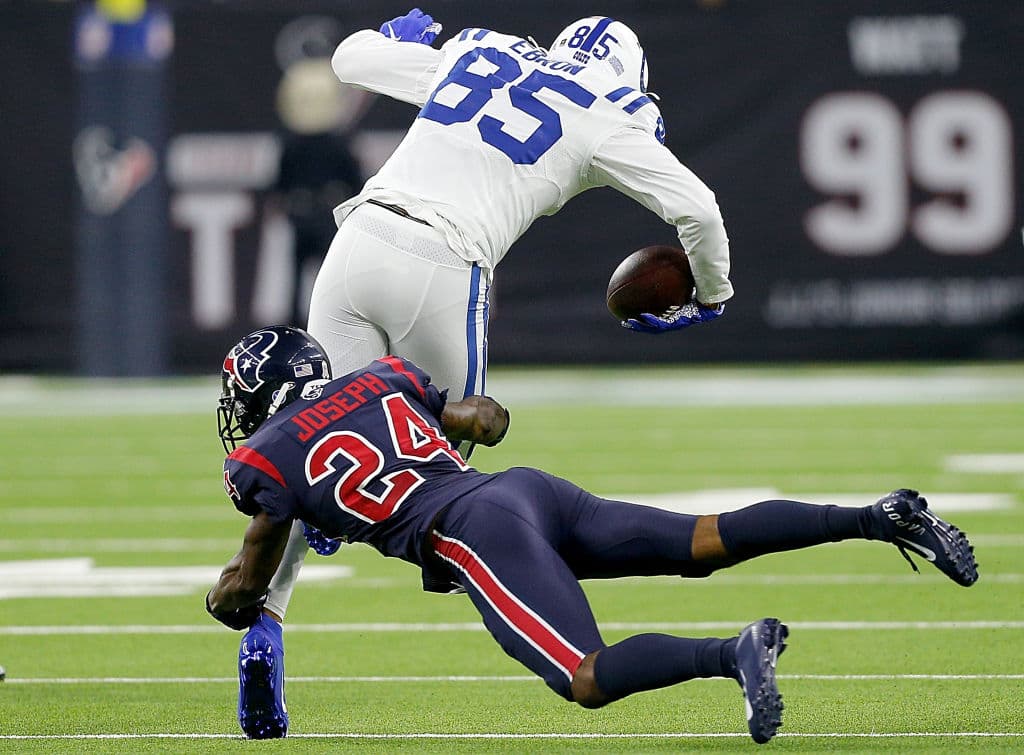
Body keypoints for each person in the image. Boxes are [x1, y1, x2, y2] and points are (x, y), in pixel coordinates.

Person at [240, 8, 739, 739]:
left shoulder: (484, 53)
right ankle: (429, 556)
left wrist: (392, 37)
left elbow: (348, 61)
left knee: (311, 442)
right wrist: (714, 294)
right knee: (442, 483)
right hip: (442, 266)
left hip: (357, 242)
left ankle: (266, 623)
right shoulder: (609, 108)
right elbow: (698, 207)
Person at [207, 326, 979, 744]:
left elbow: (246, 588)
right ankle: (876, 517)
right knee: (703, 538)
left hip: (471, 530)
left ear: (263, 395)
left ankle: (730, 654)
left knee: (584, 674)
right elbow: (486, 420)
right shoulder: (380, 376)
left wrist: (220, 598)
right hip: (524, 491)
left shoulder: (263, 459)